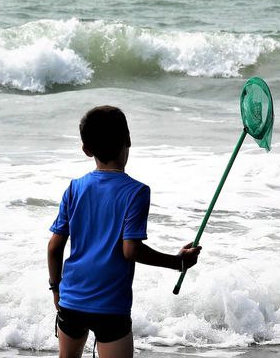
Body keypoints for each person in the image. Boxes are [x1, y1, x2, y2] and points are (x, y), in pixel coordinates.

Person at [47, 105, 202, 358]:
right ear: (128, 139)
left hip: (71, 299)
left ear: (86, 150)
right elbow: (130, 250)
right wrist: (177, 263)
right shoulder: (136, 192)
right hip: (110, 307)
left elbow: (54, 247)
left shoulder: (74, 189)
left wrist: (56, 290)